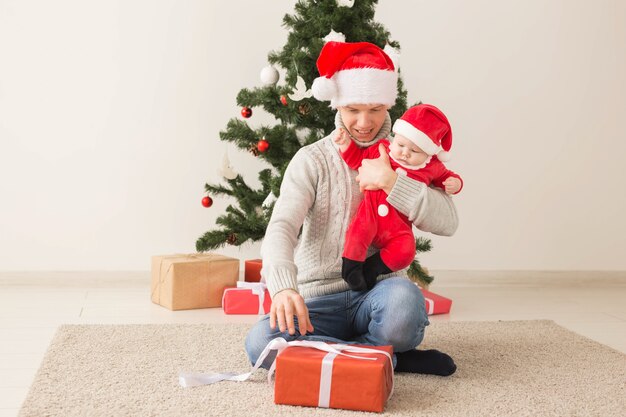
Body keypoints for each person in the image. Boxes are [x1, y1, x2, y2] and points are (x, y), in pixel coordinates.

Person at [244, 41, 458, 376]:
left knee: (404, 305)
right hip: (317, 299)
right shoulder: (312, 159)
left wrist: (392, 182)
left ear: (388, 106)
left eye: (375, 110)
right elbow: (282, 225)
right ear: (338, 105)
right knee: (259, 344)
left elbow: (448, 222)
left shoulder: (410, 157)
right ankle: (385, 357)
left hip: (378, 292)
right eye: (353, 109)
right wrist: (284, 286)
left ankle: (341, 355)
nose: (363, 122)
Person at [336, 103, 463, 291]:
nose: (404, 153)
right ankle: (351, 268)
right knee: (358, 234)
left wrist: (456, 183)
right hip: (370, 214)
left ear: (429, 153)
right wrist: (346, 146)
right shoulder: (381, 149)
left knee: (406, 249)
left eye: (415, 151)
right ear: (395, 138)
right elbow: (356, 159)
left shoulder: (431, 166)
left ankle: (372, 268)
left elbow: (447, 178)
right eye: (401, 145)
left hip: (398, 226)